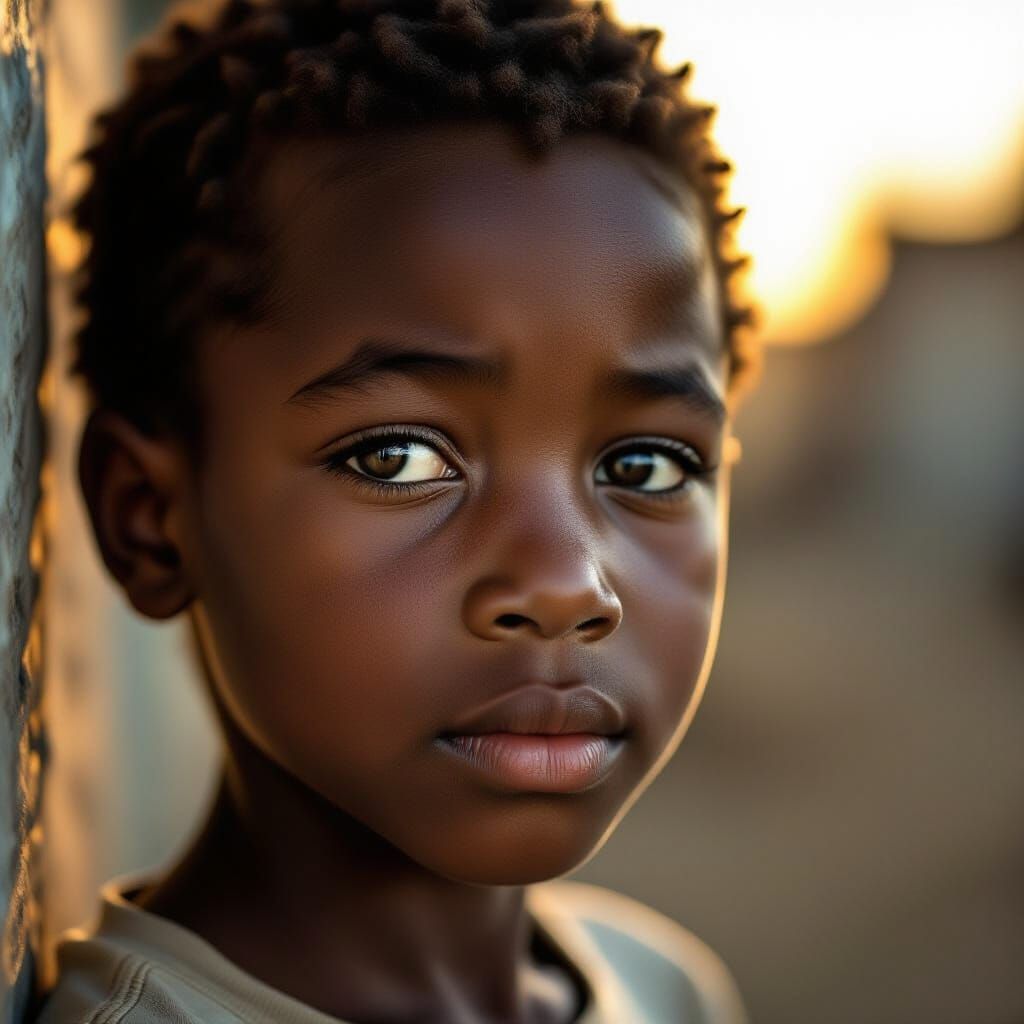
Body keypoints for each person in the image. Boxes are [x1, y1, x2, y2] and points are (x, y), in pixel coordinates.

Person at [35, 0, 759, 1020]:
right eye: (400, 455)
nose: (564, 585)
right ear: (148, 514)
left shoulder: (664, 988)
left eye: (643, 465)